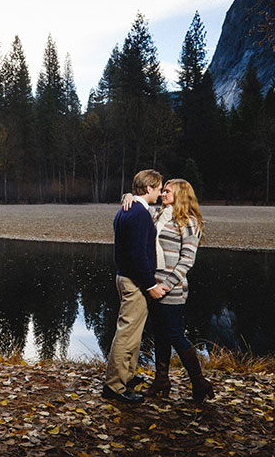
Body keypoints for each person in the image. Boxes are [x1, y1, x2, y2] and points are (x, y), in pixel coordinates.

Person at [123, 179, 214, 403]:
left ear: (181, 194)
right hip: (153, 286)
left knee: (174, 334)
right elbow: (140, 203)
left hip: (172, 289)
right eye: (162, 190)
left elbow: (187, 261)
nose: (163, 194)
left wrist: (167, 285)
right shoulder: (159, 215)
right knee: (160, 335)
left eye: (167, 191)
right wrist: (127, 196)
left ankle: (199, 382)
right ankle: (161, 380)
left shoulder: (190, 222)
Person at [103, 169, 165, 403]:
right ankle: (114, 387)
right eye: (158, 189)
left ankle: (126, 377)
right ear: (148, 189)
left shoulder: (127, 209)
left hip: (127, 277)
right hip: (134, 281)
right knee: (127, 334)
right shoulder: (138, 212)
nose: (159, 194)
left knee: (133, 333)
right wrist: (150, 285)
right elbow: (138, 254)